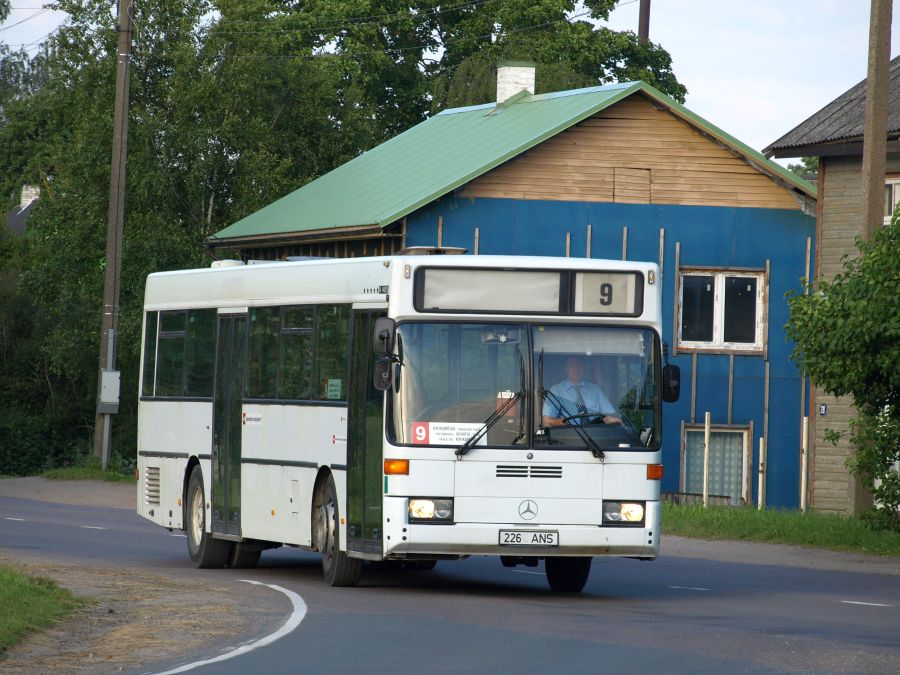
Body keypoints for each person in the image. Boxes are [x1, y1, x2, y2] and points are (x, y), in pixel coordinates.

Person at [542, 356, 622, 427]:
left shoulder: (595, 390)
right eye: (572, 366)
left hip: (596, 436)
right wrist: (559, 423)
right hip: (568, 437)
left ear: (584, 368)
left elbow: (608, 415)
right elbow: (547, 421)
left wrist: (612, 420)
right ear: (566, 369)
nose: (577, 369)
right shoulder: (556, 391)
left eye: (580, 366)